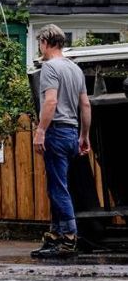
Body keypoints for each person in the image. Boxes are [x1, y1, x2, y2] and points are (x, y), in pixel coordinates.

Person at [31, 24, 91, 259]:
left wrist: (41, 131)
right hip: (72, 132)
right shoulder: (75, 69)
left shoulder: (50, 68)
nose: (40, 47)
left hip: (55, 131)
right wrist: (84, 136)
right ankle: (55, 234)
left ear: (45, 42)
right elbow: (85, 105)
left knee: (58, 187)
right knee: (58, 185)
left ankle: (68, 237)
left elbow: (50, 102)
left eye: (40, 43)